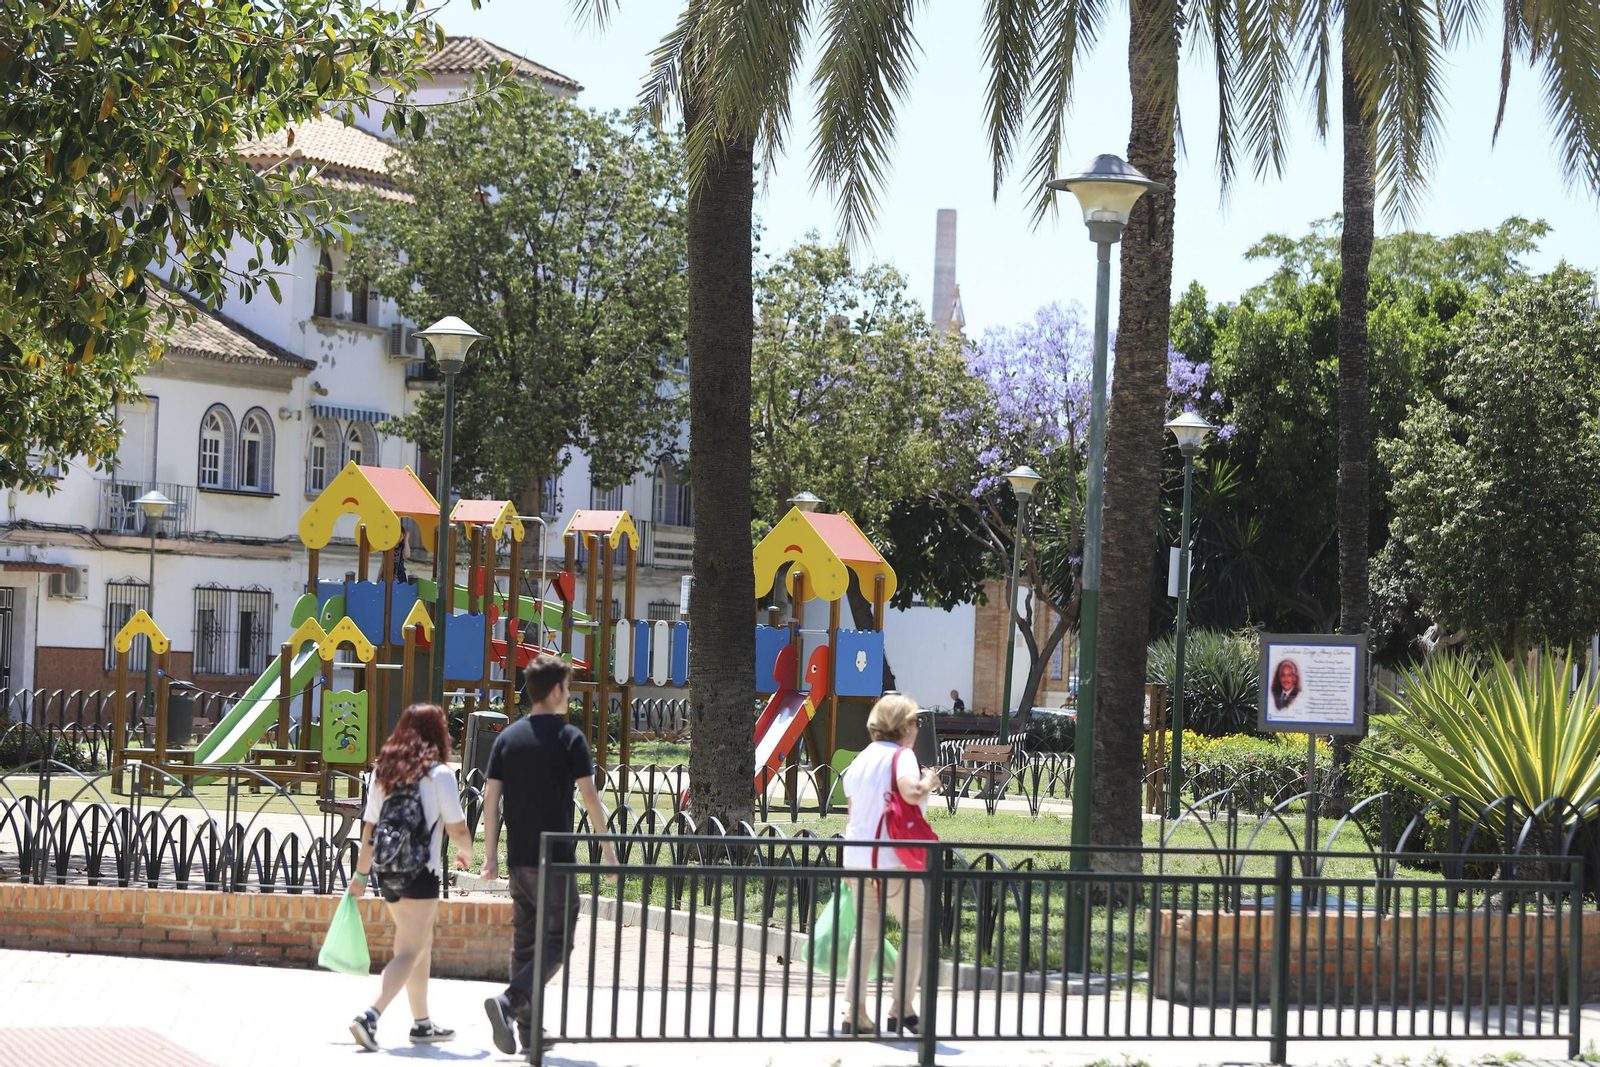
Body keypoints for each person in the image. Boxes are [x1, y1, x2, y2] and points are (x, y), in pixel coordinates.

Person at [479, 654, 619, 1055]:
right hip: (554, 859)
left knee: (525, 945)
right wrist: (608, 853)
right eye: (569, 688)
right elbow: (591, 799)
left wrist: (490, 856)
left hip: (518, 860)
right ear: (556, 689)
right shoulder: (569, 738)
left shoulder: (508, 738)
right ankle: (508, 1003)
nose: (569, 695)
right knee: (557, 944)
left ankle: (528, 1034)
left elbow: (490, 801)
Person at [347, 703, 473, 1050]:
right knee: (409, 950)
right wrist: (468, 851)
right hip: (421, 872)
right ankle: (369, 1016)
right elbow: (457, 827)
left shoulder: (383, 772)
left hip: (387, 871)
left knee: (420, 945)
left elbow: (370, 828)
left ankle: (422, 1024)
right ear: (438, 734)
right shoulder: (439, 775)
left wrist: (360, 876)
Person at [838, 693, 940, 1035]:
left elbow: (853, 813)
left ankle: (855, 1011)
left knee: (865, 933)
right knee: (918, 925)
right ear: (904, 726)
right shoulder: (903, 756)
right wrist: (929, 782)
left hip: (858, 858)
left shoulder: (861, 759)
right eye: (915, 722)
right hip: (893, 859)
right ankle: (901, 1005)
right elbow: (911, 792)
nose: (917, 728)